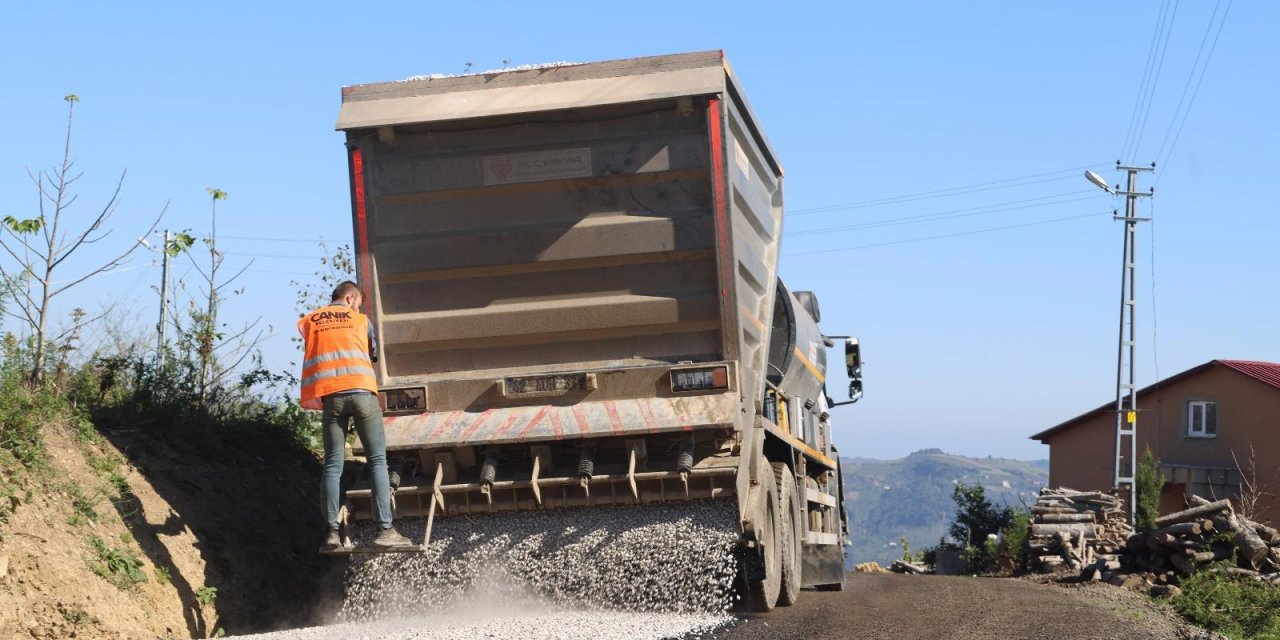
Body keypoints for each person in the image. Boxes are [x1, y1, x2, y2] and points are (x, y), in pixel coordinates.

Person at [298, 280, 411, 549]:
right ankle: (384, 530)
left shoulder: (310, 320)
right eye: (359, 302)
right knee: (377, 462)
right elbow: (370, 354)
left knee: (333, 464)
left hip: (331, 397)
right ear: (350, 298)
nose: (359, 307)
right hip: (361, 394)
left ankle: (331, 534)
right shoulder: (360, 321)